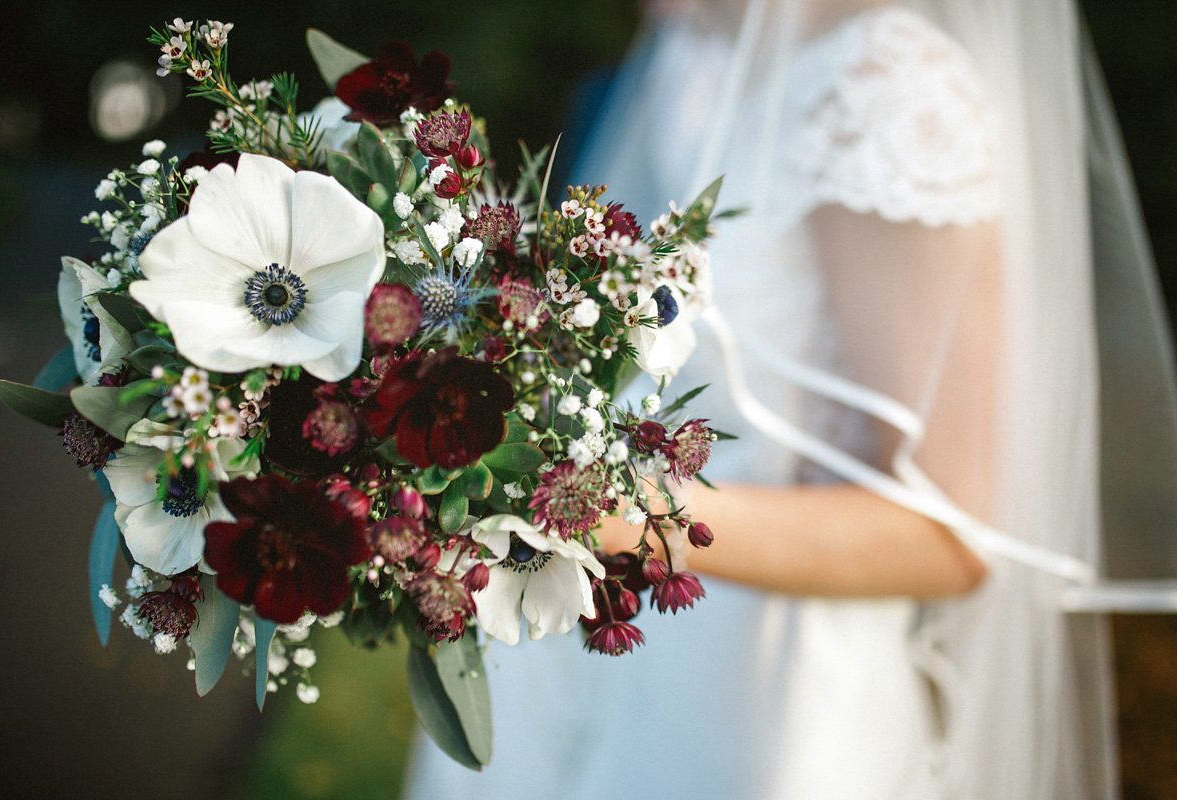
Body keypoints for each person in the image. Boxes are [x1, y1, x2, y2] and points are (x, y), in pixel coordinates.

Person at [404, 1, 1177, 798]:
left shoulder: (887, 98)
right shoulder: (696, 50)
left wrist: (610, 512)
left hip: (754, 693)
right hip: (586, 633)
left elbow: (951, 534)